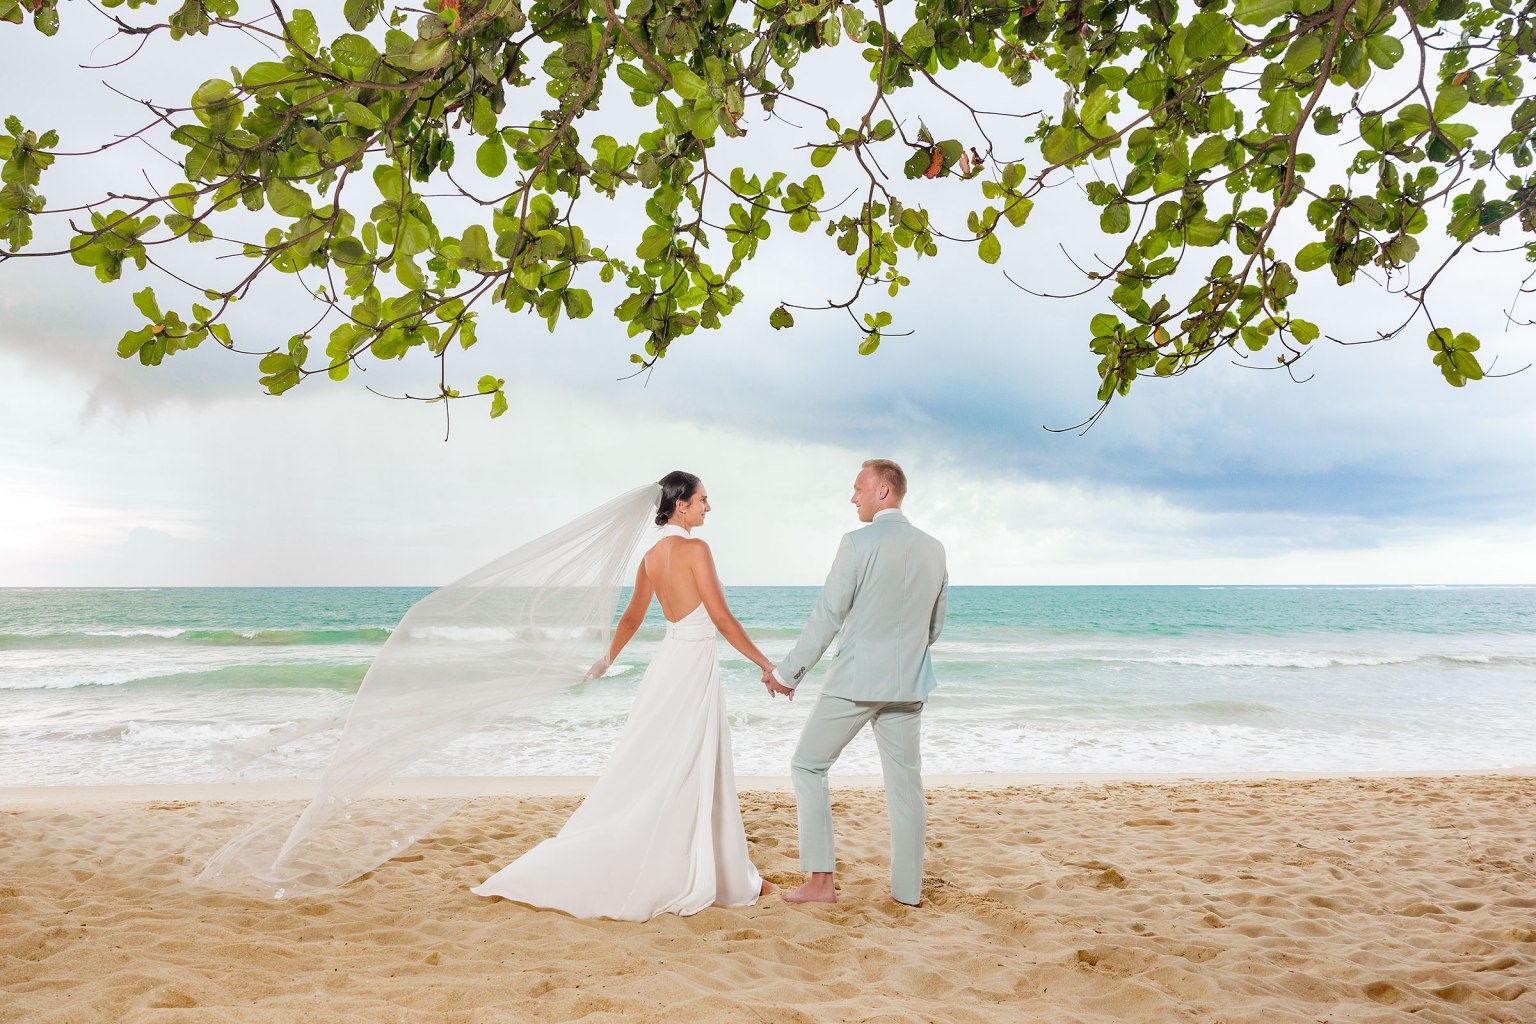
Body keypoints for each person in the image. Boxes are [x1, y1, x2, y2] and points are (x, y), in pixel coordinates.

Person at [472, 471, 779, 920]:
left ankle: (709, 867)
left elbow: (632, 618)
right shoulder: (696, 550)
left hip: (668, 665)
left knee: (665, 761)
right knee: (696, 762)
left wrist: (606, 659)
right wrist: (767, 666)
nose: (708, 508)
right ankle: (720, 876)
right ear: (680, 505)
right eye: (703, 500)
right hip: (692, 665)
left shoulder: (652, 557)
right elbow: (723, 619)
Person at [762, 459, 948, 907]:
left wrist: (787, 673)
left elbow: (828, 617)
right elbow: (934, 627)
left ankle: (821, 884)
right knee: (906, 787)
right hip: (908, 685)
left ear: (883, 491)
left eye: (858, 488)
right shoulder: (934, 548)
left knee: (808, 766)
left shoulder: (856, 544)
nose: (853, 497)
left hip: (855, 682)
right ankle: (907, 893)